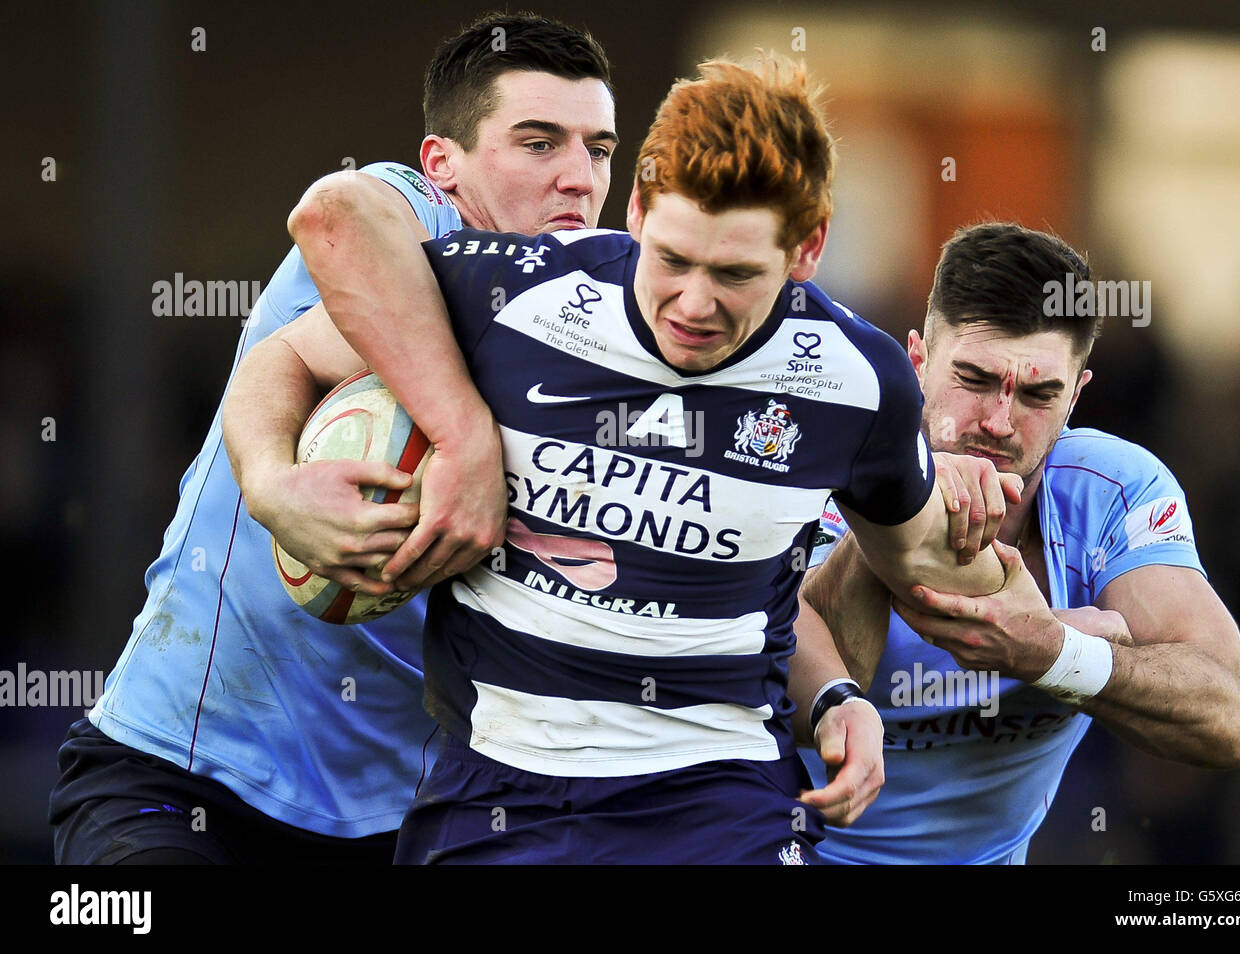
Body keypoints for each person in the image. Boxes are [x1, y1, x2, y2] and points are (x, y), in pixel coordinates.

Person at [224, 56, 1014, 864]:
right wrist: (273, 485)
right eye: (672, 259)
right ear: (636, 210)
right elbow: (284, 356)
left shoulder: (858, 379)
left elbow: (930, 568)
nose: (694, 304)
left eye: (736, 274)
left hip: (720, 797)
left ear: (807, 249)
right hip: (497, 794)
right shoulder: (515, 296)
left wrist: (875, 675)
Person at [49, 12, 622, 864]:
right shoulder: (412, 223)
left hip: (403, 818)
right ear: (444, 163)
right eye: (538, 143)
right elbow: (331, 216)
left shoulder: (603, 320)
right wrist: (284, 487)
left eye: (599, 149)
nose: (577, 176)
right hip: (177, 772)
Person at [800, 221, 1240, 864]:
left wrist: (1054, 653)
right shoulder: (819, 470)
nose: (997, 422)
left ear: (1077, 395)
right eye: (974, 378)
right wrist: (902, 498)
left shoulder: (1112, 489)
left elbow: (1229, 719)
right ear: (916, 362)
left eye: (1040, 394)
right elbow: (781, 700)